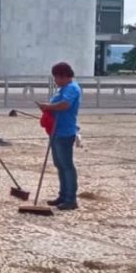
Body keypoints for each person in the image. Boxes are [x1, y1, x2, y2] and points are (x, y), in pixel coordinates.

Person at [36, 61, 82, 210]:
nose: (55, 81)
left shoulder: (72, 88)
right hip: (55, 130)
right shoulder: (62, 89)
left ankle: (71, 198)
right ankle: (62, 195)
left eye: (56, 77)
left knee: (67, 165)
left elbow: (65, 105)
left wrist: (48, 106)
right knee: (59, 165)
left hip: (65, 131)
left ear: (64, 76)